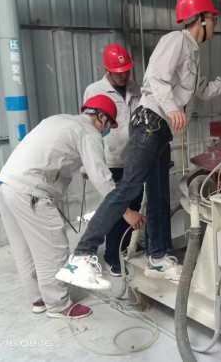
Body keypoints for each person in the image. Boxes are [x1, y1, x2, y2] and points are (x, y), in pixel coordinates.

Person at [57, 0, 221, 286]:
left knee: (159, 195)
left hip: (161, 131)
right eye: (213, 18)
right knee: (127, 188)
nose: (215, 24)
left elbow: (203, 91)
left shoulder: (193, 53)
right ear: (200, 18)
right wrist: (172, 108)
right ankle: (81, 255)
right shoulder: (176, 40)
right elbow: (154, 78)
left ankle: (157, 258)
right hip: (150, 123)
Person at [0, 95, 121, 319]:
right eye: (109, 124)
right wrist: (125, 210)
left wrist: (84, 169)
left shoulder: (60, 120)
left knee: (23, 248)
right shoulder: (89, 132)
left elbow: (58, 152)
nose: (107, 129)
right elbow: (102, 177)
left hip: (5, 184)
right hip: (30, 191)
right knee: (53, 250)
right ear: (101, 117)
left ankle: (38, 299)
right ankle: (58, 305)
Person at [83, 43, 142, 277]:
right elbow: (87, 129)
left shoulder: (135, 88)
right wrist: (86, 165)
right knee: (117, 210)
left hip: (134, 158)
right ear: (107, 70)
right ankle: (112, 257)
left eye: (126, 71)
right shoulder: (94, 90)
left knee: (134, 206)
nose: (124, 76)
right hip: (109, 159)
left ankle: (126, 248)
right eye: (119, 72)